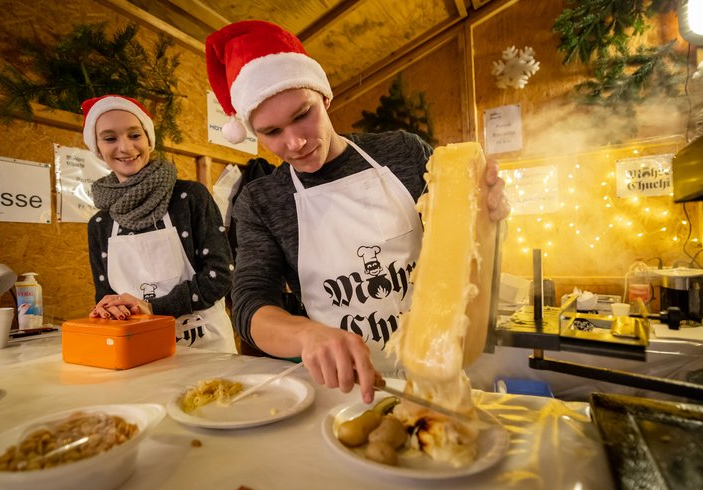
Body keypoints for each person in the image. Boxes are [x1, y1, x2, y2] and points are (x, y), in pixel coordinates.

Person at [205, 21, 509, 401]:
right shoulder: (263, 200)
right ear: (253, 131)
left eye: (303, 115)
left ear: (325, 97)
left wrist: (488, 215)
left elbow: (464, 243)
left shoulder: (403, 153)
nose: (295, 142)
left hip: (447, 374)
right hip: (345, 389)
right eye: (272, 132)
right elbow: (250, 305)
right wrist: (305, 334)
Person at [83, 94, 237, 353]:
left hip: (206, 349)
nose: (125, 147)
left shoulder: (189, 198)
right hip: (140, 350)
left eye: (134, 135)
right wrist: (109, 309)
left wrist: (155, 309)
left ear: (149, 140)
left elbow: (220, 276)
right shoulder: (100, 223)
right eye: (110, 138)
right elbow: (106, 294)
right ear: (98, 148)